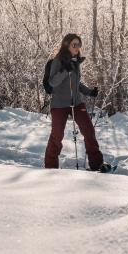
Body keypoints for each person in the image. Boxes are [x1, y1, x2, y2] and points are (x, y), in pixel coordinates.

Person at [44, 33, 111, 172]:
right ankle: (50, 167)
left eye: (79, 45)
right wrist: (65, 70)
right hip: (59, 105)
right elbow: (53, 82)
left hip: (77, 103)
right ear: (66, 45)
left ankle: (97, 164)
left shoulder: (76, 62)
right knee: (57, 135)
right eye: (74, 45)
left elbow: (76, 83)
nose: (77, 47)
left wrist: (89, 92)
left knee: (89, 131)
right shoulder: (57, 62)